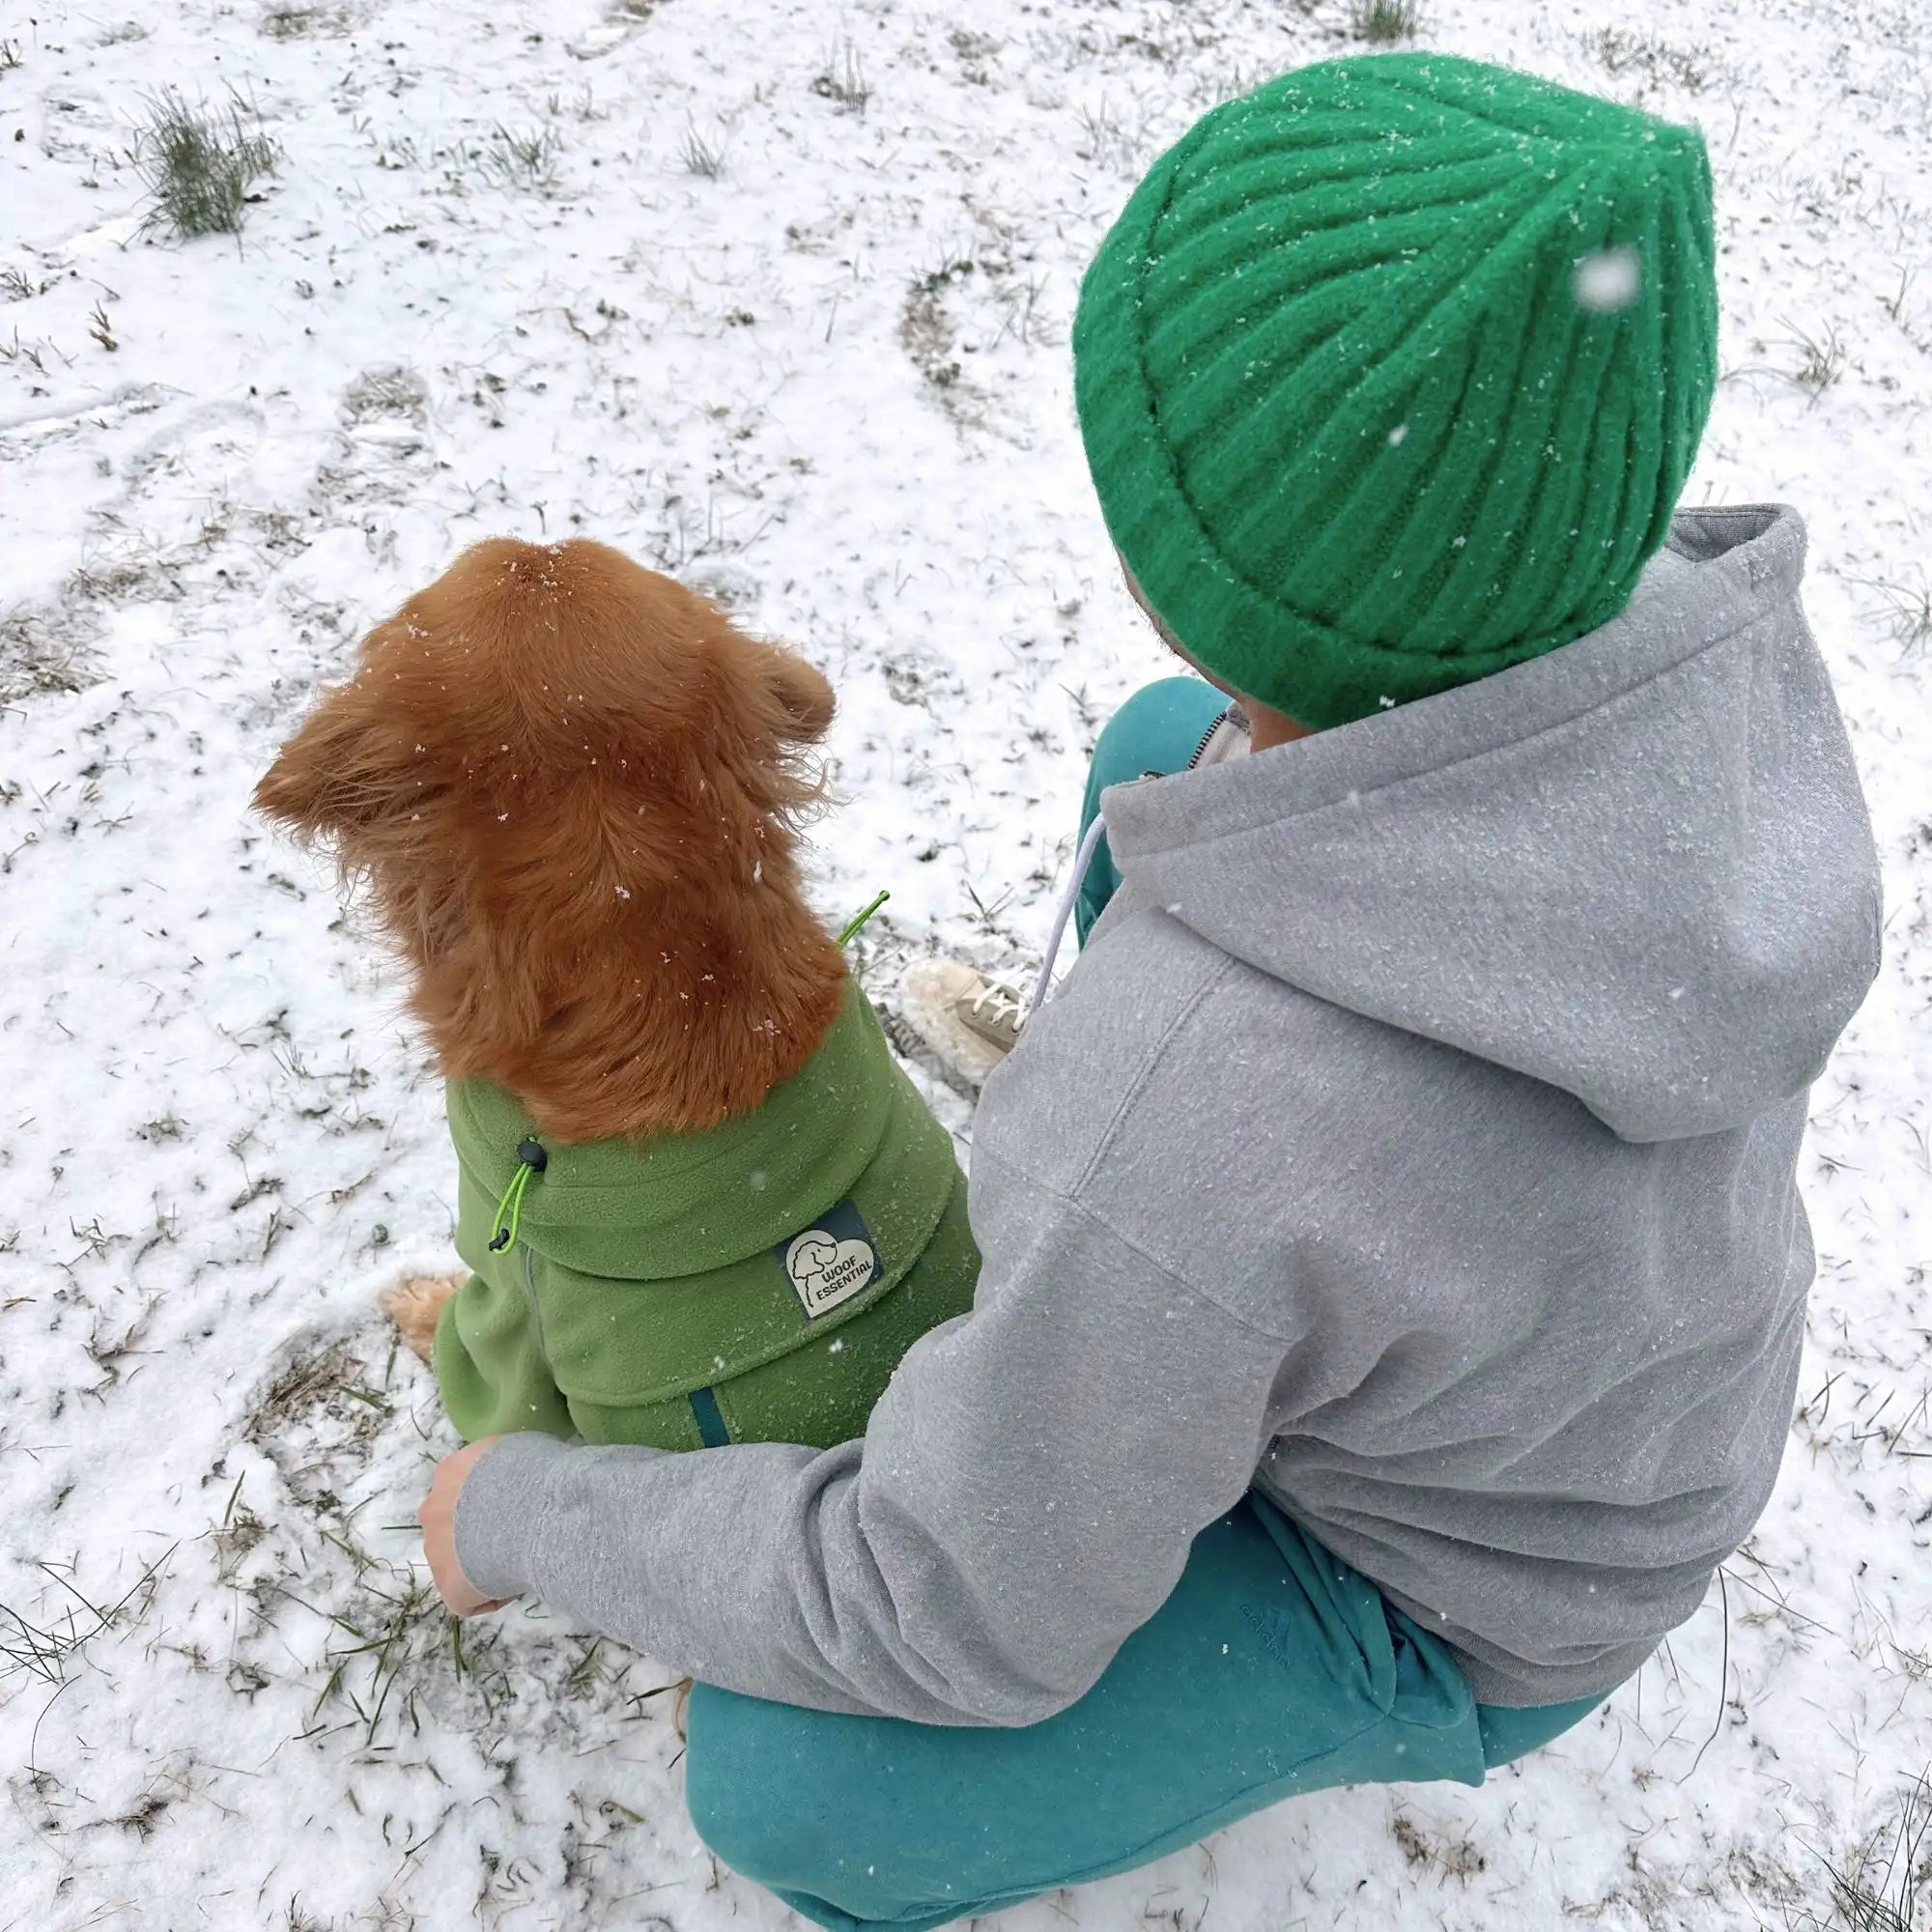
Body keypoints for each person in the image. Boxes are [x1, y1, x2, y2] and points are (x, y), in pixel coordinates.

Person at [418, 51, 1881, 1932]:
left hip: (1458, 1598)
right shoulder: (1682, 651)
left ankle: (1216, 1402)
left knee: (788, 1786)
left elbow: (944, 1607)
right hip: (1610, 1387)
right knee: (1160, 756)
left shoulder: (1200, 1108)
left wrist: (517, 1505)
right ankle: (1204, 1305)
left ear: (1214, 568)